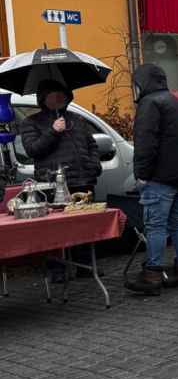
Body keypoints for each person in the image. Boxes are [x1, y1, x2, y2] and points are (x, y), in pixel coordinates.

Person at [21, 79, 104, 282]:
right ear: (42, 99)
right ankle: (56, 269)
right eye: (52, 96)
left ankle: (85, 266)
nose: (57, 99)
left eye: (61, 95)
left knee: (84, 226)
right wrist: (53, 131)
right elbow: (33, 150)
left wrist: (94, 164)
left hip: (83, 181)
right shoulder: (31, 123)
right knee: (54, 230)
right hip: (53, 185)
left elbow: (92, 144)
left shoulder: (77, 119)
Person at [125, 63, 178, 295]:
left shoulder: (149, 104)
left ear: (142, 83)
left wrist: (143, 174)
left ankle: (152, 275)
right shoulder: (176, 102)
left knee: (155, 225)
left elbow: (146, 142)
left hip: (159, 176)